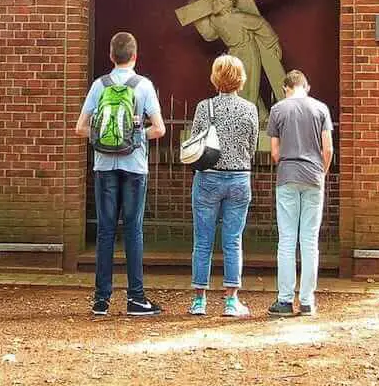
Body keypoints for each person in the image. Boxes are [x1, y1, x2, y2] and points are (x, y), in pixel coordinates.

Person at [75, 31, 166, 317]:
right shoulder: (144, 86)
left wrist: (103, 140)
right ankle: (136, 299)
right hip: (135, 166)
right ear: (135, 56)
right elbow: (160, 128)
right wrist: (135, 137)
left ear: (111, 56)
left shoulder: (99, 85)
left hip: (103, 167)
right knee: (133, 230)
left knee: (105, 231)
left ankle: (101, 300)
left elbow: (80, 128)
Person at [188, 54, 259, 318]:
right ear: (240, 79)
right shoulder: (250, 109)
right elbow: (252, 146)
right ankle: (231, 300)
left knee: (202, 239)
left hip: (208, 177)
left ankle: (199, 300)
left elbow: (196, 142)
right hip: (239, 177)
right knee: (233, 240)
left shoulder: (204, 107)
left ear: (215, 78)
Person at [266, 70, 333, 317]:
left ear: (286, 88)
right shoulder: (321, 109)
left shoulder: (278, 110)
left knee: (286, 240)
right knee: (309, 240)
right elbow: (328, 149)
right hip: (314, 176)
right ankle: (307, 300)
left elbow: (274, 152)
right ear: (307, 86)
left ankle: (284, 300)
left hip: (287, 175)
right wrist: (321, 173)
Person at [193, 0, 285, 121]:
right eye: (214, 1)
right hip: (233, 53)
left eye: (217, 1)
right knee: (235, 84)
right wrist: (198, 17)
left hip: (247, 51)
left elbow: (260, 24)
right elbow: (209, 35)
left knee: (247, 85)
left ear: (226, 4)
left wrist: (272, 43)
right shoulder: (215, 20)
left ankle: (247, 118)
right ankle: (261, 115)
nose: (214, 4)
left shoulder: (239, 17)